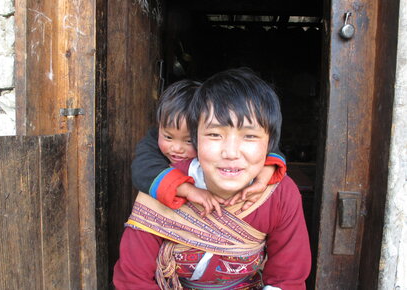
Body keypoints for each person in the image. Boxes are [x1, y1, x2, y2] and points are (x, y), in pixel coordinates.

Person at [114, 68, 311, 289]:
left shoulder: (279, 194)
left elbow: (287, 278)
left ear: (269, 144)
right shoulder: (161, 187)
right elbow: (133, 280)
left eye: (250, 136)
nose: (231, 152)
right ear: (195, 138)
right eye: (215, 134)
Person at [131, 80, 287, 215]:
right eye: (168, 137)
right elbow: (142, 169)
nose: (177, 148)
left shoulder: (282, 195)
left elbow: (266, 148)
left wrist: (262, 178)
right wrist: (189, 190)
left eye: (188, 141)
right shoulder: (152, 142)